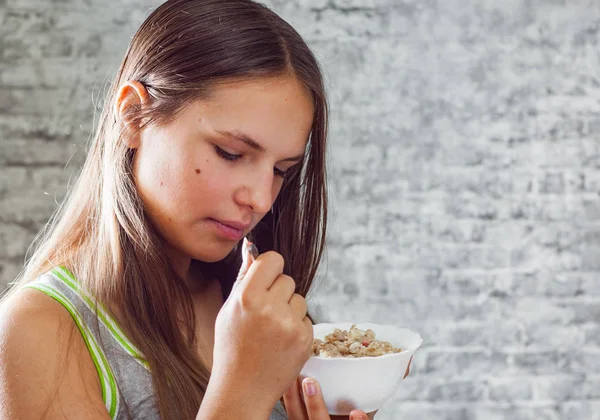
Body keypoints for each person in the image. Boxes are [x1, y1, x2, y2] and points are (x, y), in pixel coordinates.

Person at [0, 0, 376, 419]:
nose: (261, 199)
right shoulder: (38, 330)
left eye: (281, 170)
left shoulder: (254, 309)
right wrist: (243, 392)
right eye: (230, 153)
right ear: (134, 116)